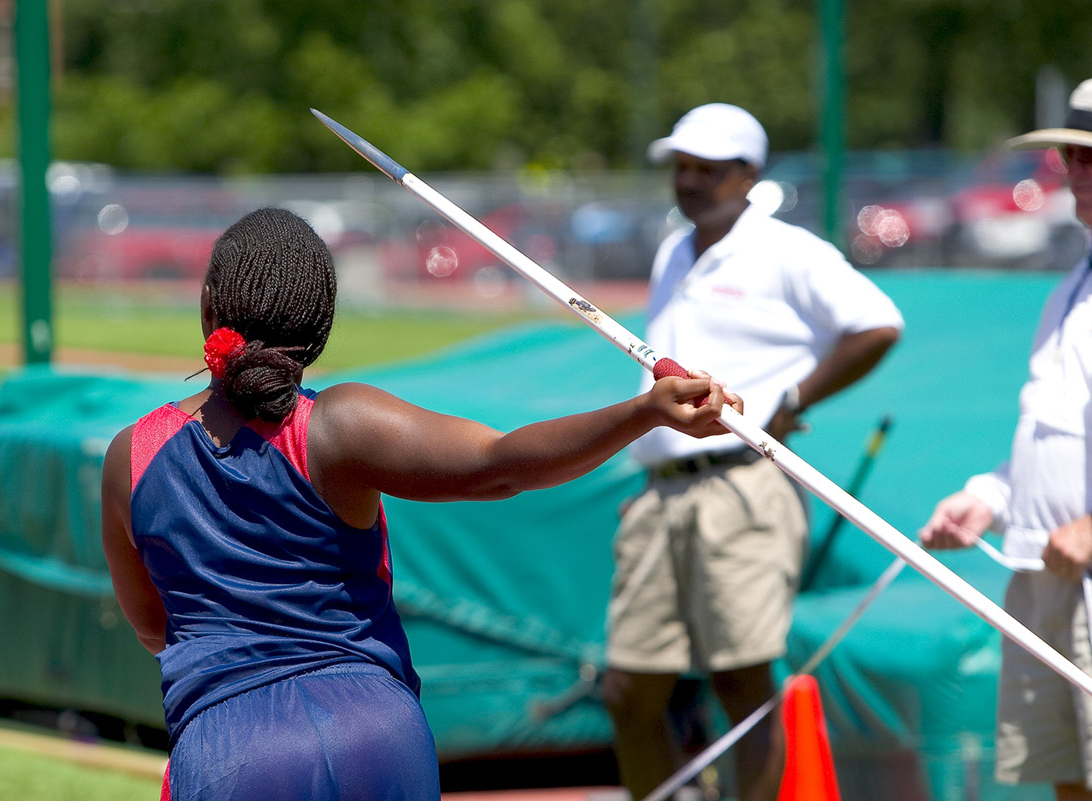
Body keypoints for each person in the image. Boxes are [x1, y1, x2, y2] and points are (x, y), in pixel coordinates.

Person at [100, 207, 742, 801]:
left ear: (208, 307)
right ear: (320, 327)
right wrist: (644, 412)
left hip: (232, 752)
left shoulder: (133, 456)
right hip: (374, 735)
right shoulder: (340, 427)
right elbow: (502, 464)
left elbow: (155, 628)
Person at [601, 103, 904, 801]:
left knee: (741, 680)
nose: (689, 181)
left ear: (747, 174)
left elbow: (878, 323)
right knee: (628, 687)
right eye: (681, 166)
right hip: (664, 488)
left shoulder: (786, 249)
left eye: (707, 169)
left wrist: (792, 401)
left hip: (741, 485)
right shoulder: (673, 250)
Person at [919, 78, 1092, 801]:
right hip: (1044, 572)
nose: (1075, 170)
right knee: (1068, 778)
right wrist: (990, 497)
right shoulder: (1071, 286)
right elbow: (1052, 423)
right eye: (1070, 154)